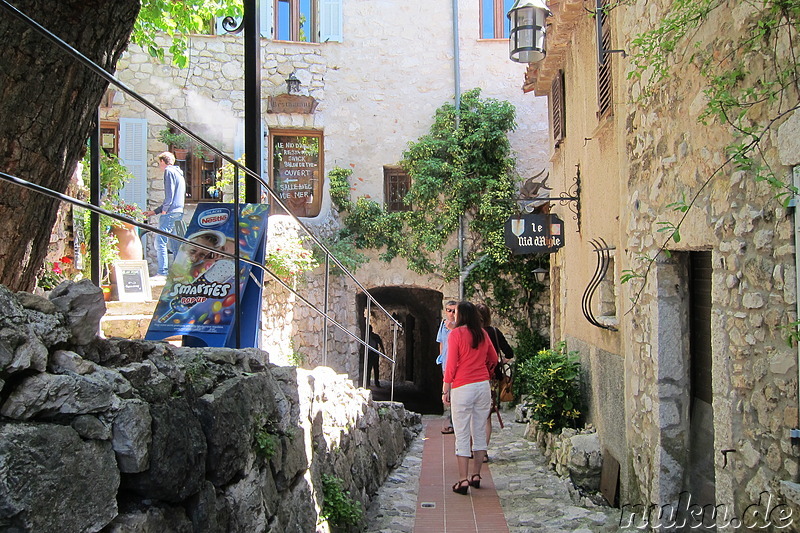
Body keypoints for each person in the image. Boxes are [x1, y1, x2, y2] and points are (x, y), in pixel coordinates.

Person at [442, 301, 497, 495]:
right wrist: (485, 371)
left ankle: (462, 479)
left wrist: (445, 388)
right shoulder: (482, 333)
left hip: (462, 386)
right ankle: (476, 475)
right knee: (479, 430)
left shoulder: (455, 334)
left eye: (455, 312)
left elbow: (451, 364)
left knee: (462, 432)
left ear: (461, 315)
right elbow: (494, 358)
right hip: (482, 385)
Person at [476, 302, 514, 461]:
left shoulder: (471, 333)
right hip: (490, 377)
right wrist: (501, 362)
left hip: (472, 376)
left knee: (473, 415)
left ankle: (472, 449)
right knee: (486, 416)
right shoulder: (494, 332)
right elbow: (509, 352)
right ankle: (483, 452)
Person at [143, 151, 186, 278]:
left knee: (160, 242)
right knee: (175, 242)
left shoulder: (169, 171)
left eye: (159, 163)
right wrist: (153, 212)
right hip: (179, 212)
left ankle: (162, 272)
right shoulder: (179, 173)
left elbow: (169, 195)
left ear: (163, 162)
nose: (160, 166)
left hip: (170, 213)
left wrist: (164, 211)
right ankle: (178, 273)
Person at [436, 300, 457, 434]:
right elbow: (441, 342)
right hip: (446, 364)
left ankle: (454, 422)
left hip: (456, 365)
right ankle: (452, 420)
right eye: (449, 310)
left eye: (454, 310)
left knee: (455, 394)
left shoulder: (460, 326)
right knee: (448, 393)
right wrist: (442, 358)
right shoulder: (443, 325)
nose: (451, 313)